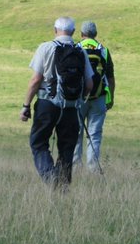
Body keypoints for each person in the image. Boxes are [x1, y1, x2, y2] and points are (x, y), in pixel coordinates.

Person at [21, 16, 93, 189]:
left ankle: (50, 177)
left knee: (39, 143)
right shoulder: (80, 51)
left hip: (47, 104)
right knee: (67, 148)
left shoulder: (45, 47)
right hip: (71, 107)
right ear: (73, 32)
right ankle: (63, 188)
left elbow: (36, 80)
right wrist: (79, 99)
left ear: (55, 30)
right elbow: (90, 83)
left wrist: (26, 105)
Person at [74, 21, 115, 175]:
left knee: (76, 133)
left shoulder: (75, 48)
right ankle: (93, 170)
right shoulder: (103, 51)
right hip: (99, 97)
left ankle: (75, 168)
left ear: (81, 34)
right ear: (95, 34)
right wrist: (111, 98)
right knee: (94, 135)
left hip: (78, 98)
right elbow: (110, 77)